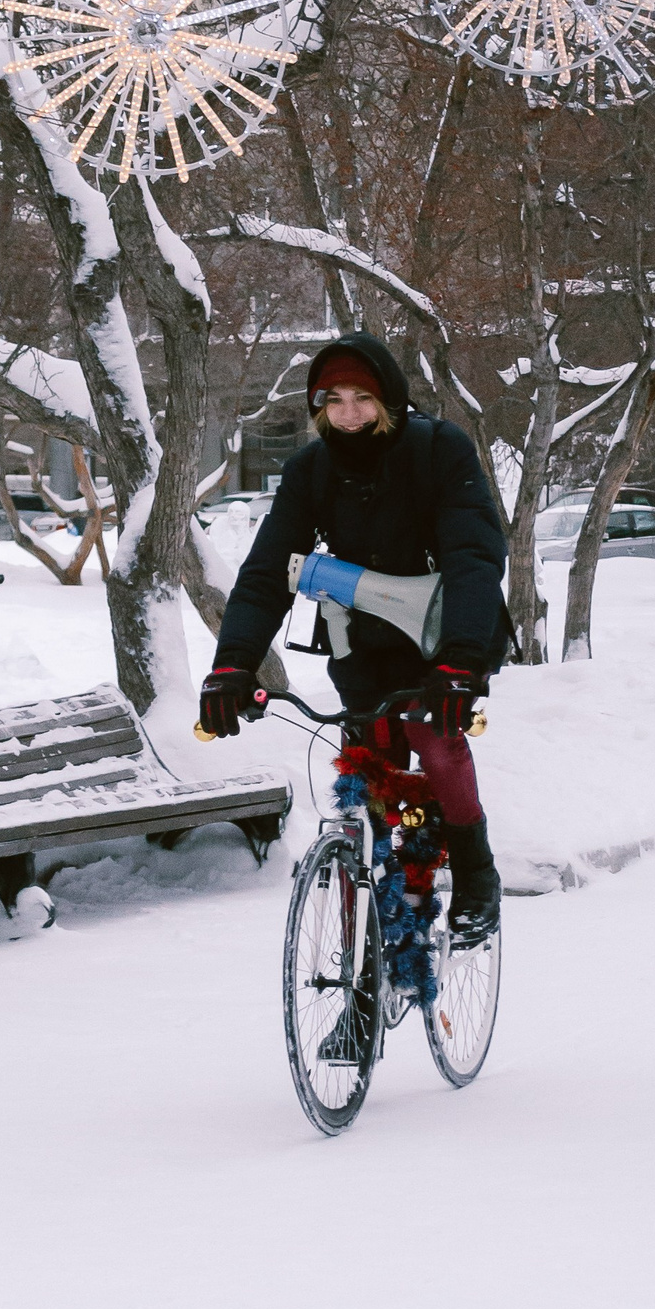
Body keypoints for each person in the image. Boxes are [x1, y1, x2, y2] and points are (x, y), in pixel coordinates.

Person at [201, 333, 510, 947]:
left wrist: (463, 659)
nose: (347, 414)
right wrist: (234, 665)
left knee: (438, 745)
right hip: (362, 651)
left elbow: (474, 555)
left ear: (388, 400)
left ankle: (477, 873)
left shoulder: (437, 450)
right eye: (333, 399)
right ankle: (360, 967)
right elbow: (267, 572)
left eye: (362, 398)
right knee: (370, 790)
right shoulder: (311, 470)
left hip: (440, 644)